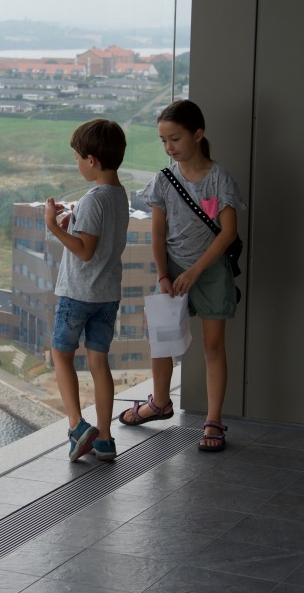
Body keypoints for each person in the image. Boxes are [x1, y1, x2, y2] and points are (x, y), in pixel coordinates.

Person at [119, 99, 246, 452]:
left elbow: (228, 232)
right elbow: (157, 233)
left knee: (212, 346)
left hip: (210, 270)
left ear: (198, 134)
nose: (169, 147)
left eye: (175, 139)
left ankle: (213, 420)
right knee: (161, 341)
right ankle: (160, 403)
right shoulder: (164, 180)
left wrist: (196, 271)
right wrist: (163, 274)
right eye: (164, 140)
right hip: (172, 269)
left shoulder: (219, 178)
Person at [45, 118, 130, 462]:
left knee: (61, 355)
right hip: (107, 295)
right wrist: (74, 224)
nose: (77, 164)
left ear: (91, 160)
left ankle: (77, 426)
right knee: (99, 362)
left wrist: (53, 227)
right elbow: (95, 239)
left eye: (77, 158)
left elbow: (84, 251)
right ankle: (105, 439)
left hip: (78, 292)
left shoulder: (93, 199)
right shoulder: (119, 196)